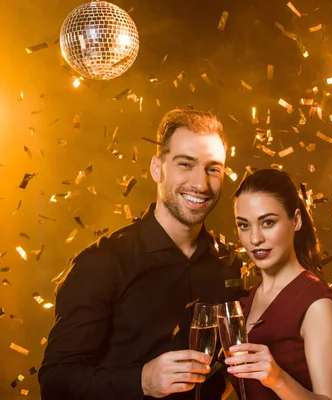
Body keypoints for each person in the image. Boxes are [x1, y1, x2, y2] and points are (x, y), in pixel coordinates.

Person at [39, 109, 244, 400]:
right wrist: (143, 380)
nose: (201, 183)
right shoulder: (101, 262)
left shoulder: (229, 264)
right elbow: (55, 382)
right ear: (157, 169)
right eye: (186, 164)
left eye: (213, 169)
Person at [225, 168, 332, 400]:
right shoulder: (245, 301)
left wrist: (277, 378)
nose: (255, 238)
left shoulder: (316, 304)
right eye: (244, 225)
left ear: (297, 220)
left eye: (267, 222)